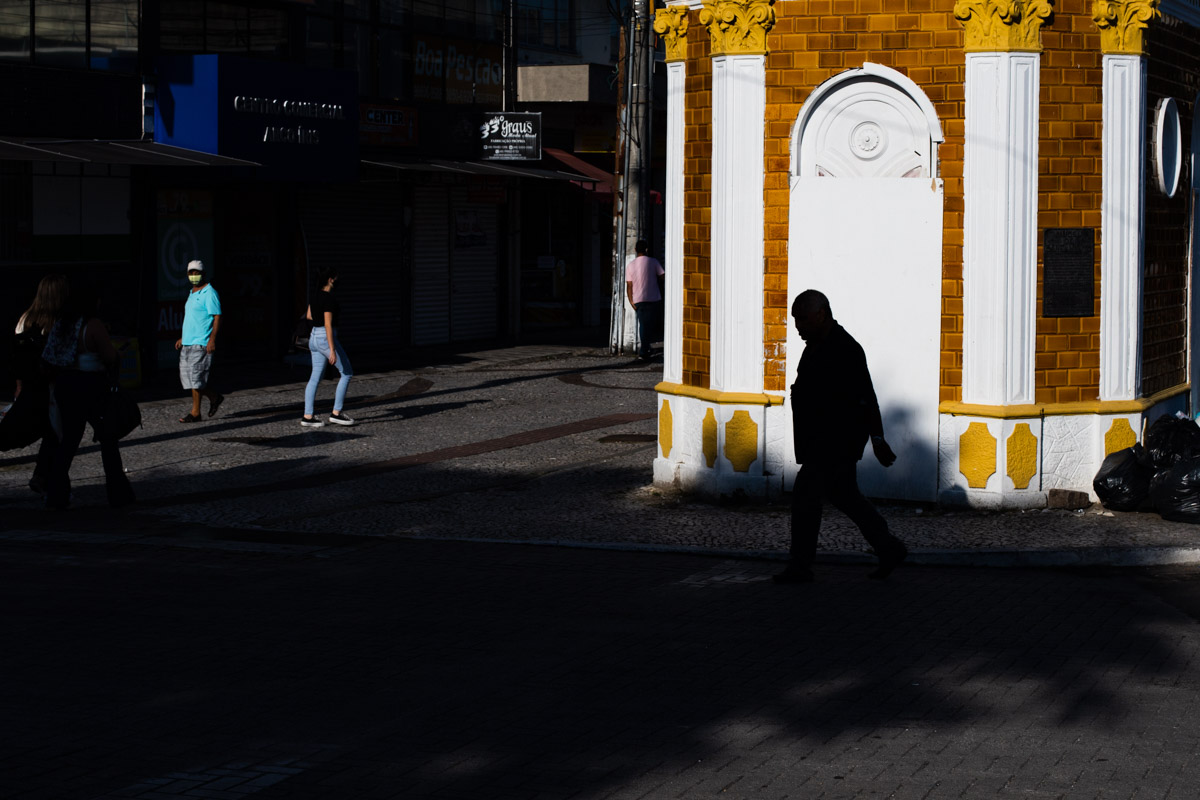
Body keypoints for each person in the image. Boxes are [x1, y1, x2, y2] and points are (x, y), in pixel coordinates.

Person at [775, 289, 908, 583]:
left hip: (835, 440)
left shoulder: (845, 348)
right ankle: (889, 548)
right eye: (796, 320)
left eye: (803, 320)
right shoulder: (816, 345)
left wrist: (878, 438)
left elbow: (866, 396)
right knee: (846, 496)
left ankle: (800, 566)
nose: (797, 327)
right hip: (823, 439)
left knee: (805, 497)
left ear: (821, 315)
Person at [41, 282, 135, 510]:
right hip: (91, 386)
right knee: (107, 439)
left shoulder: (62, 324)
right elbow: (109, 356)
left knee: (69, 441)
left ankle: (56, 494)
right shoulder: (92, 325)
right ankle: (118, 494)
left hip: (65, 385)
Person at [10, 274, 68, 493]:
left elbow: (15, 356)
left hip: (28, 383)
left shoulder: (24, 319)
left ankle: (44, 475)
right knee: (55, 431)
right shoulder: (56, 323)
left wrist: (18, 384)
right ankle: (47, 477)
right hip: (49, 385)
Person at [302, 267, 355, 427]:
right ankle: (336, 413)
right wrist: (332, 349)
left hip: (314, 337)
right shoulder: (329, 299)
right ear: (331, 279)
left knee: (314, 377)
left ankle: (308, 416)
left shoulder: (315, 295)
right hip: (326, 338)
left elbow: (309, 316)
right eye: (336, 278)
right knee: (346, 373)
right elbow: (328, 324)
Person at [174, 259, 224, 423]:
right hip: (188, 342)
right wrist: (183, 337)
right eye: (191, 272)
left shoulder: (209, 293)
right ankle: (214, 397)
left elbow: (216, 316)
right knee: (190, 380)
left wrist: (212, 340)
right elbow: (192, 318)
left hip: (201, 342)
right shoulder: (192, 292)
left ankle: (195, 412)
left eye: (196, 272)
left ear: (203, 273)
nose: (193, 275)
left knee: (196, 379)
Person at [625, 239, 665, 360]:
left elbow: (629, 286)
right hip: (653, 298)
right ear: (646, 249)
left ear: (635, 250)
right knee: (651, 325)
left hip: (638, 300)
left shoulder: (630, 265)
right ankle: (645, 348)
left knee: (643, 325)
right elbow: (663, 276)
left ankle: (644, 350)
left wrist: (631, 301)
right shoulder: (653, 262)